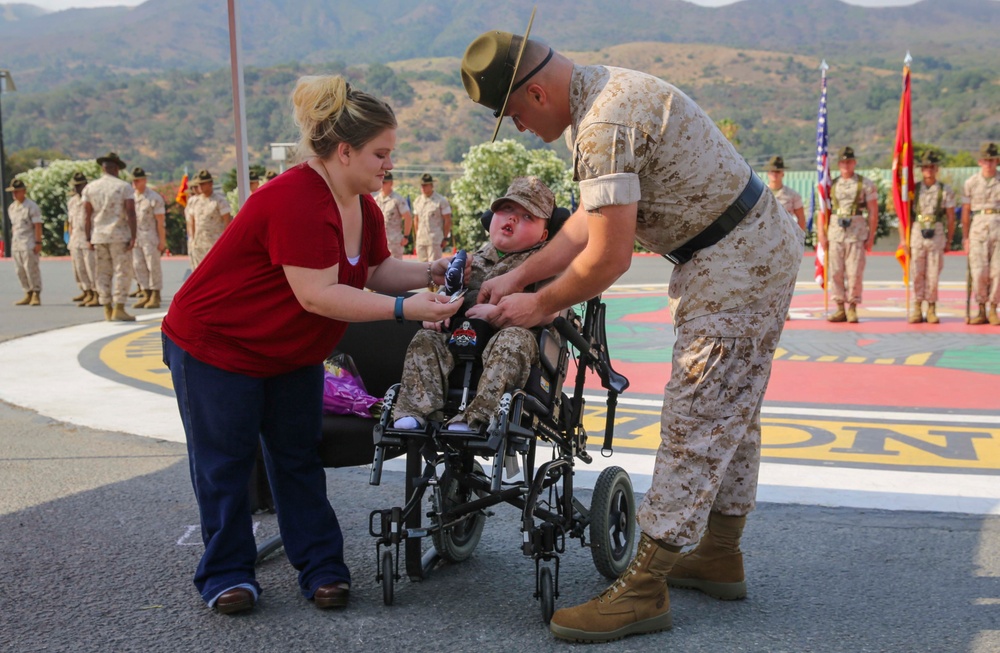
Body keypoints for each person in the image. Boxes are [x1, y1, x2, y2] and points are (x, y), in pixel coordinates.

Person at [461, 16, 801, 643]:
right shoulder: (605, 91)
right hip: (745, 250)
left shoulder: (603, 125)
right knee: (731, 409)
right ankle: (720, 554)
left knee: (698, 413)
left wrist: (539, 307)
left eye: (513, 114)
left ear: (535, 93)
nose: (521, 130)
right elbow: (583, 226)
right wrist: (517, 277)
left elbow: (607, 257)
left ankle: (644, 588)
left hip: (735, 263)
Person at [160, 74, 462, 616]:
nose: (389, 165)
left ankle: (322, 569)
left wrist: (429, 271)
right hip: (217, 346)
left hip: (288, 352)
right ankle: (227, 573)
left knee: (297, 457)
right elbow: (319, 295)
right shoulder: (295, 199)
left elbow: (374, 268)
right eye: (380, 153)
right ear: (344, 151)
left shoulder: (362, 205)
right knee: (224, 462)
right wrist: (406, 309)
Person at [392, 176, 555, 432]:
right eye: (507, 210)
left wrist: (500, 312)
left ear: (543, 235)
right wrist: (436, 312)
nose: (512, 219)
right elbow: (449, 296)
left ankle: (477, 418)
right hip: (462, 338)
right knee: (426, 338)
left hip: (511, 346)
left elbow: (552, 310)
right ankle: (416, 412)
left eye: (527, 217)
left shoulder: (546, 263)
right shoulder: (470, 261)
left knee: (513, 339)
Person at [818, 146, 878, 323]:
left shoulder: (865, 184)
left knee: (854, 272)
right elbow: (822, 210)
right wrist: (821, 233)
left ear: (854, 162)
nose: (846, 165)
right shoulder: (830, 184)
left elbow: (873, 212)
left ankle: (852, 307)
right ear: (838, 164)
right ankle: (839, 307)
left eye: (849, 161)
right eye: (843, 162)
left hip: (856, 233)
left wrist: (871, 235)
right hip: (835, 233)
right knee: (836, 271)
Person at [83, 151, 137, 321]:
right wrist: (133, 235)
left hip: (99, 235)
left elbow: (86, 215)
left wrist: (87, 238)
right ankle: (119, 307)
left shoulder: (90, 187)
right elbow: (130, 212)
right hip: (119, 235)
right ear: (115, 168)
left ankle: (106, 307)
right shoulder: (123, 187)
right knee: (122, 271)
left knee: (102, 272)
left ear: (103, 168)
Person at [905, 152, 956, 324]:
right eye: (925, 167)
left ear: (936, 169)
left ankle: (932, 307)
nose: (928, 170)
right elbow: (905, 216)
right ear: (921, 169)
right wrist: (904, 240)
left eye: (932, 167)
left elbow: (950, 216)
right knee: (917, 272)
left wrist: (949, 239)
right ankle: (917, 307)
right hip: (917, 232)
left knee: (933, 273)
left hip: (936, 232)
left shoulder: (944, 189)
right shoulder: (913, 190)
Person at [961, 141, 1000, 325]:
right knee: (978, 272)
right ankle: (981, 308)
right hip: (978, 229)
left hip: (998, 227)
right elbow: (966, 211)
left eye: (992, 160)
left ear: (997, 161)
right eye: (985, 160)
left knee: (998, 272)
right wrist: (965, 237)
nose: (989, 164)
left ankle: (993, 308)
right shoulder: (971, 183)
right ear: (979, 162)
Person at [130, 167, 167, 310]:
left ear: (144, 181)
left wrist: (162, 240)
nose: (134, 183)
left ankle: (155, 295)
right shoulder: (131, 198)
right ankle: (146, 293)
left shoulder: (154, 198)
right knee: (138, 266)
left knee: (153, 266)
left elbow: (160, 221)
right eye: (133, 180)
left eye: (137, 180)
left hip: (150, 237)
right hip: (137, 238)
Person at [7, 178, 43, 306]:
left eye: (17, 191)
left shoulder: (31, 206)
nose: (14, 194)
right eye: (13, 192)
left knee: (31, 268)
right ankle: (27, 292)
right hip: (17, 243)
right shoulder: (12, 207)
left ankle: (36, 293)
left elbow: (37, 225)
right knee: (19, 270)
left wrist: (38, 242)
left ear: (24, 191)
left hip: (29, 242)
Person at [186, 169, 231, 269]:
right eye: (199, 184)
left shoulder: (219, 201)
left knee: (216, 271)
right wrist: (192, 239)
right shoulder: (194, 201)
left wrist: (225, 242)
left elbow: (227, 221)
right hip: (199, 245)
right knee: (198, 272)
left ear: (210, 184)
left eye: (203, 184)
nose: (200, 187)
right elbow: (191, 221)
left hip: (214, 244)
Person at [66, 172, 99, 307]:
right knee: (79, 268)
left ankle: (97, 294)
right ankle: (87, 291)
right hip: (76, 239)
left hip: (89, 238)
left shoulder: (92, 199)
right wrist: (70, 239)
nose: (77, 188)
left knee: (92, 268)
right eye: (75, 186)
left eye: (79, 185)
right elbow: (70, 222)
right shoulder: (72, 201)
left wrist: (92, 239)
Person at [412, 172, 452, 262]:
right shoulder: (418, 201)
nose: (423, 188)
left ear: (431, 185)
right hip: (421, 239)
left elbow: (447, 220)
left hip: (435, 239)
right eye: (422, 185)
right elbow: (416, 220)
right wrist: (417, 236)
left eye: (425, 185)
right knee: (421, 267)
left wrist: (445, 238)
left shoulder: (441, 200)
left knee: (434, 267)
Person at [374, 170, 412, 259]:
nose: (382, 185)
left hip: (394, 242)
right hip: (379, 241)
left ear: (391, 183)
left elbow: (408, 218)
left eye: (385, 182)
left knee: (395, 270)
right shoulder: (375, 199)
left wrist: (406, 236)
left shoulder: (397, 199)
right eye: (381, 182)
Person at [766, 156, 806, 232]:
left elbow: (801, 217)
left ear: (783, 174)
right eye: (772, 171)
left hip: (785, 235)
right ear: (768, 173)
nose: (775, 174)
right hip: (765, 235)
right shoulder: (762, 194)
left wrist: (798, 237)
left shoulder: (793, 195)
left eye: (778, 172)